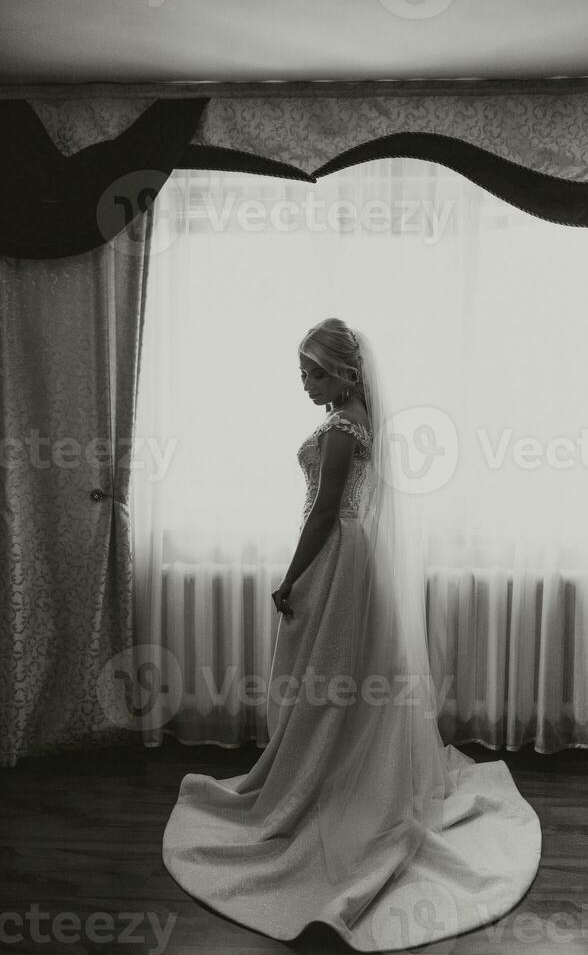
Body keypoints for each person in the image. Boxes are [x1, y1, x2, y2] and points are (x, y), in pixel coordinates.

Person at [162, 317, 542, 951]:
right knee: (346, 675)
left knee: (327, 673)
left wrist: (288, 579)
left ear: (342, 369)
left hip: (336, 558)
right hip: (352, 556)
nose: (306, 384)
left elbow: (325, 511)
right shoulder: (361, 415)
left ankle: (325, 780)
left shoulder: (342, 428)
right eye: (301, 373)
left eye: (313, 372)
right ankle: (335, 765)